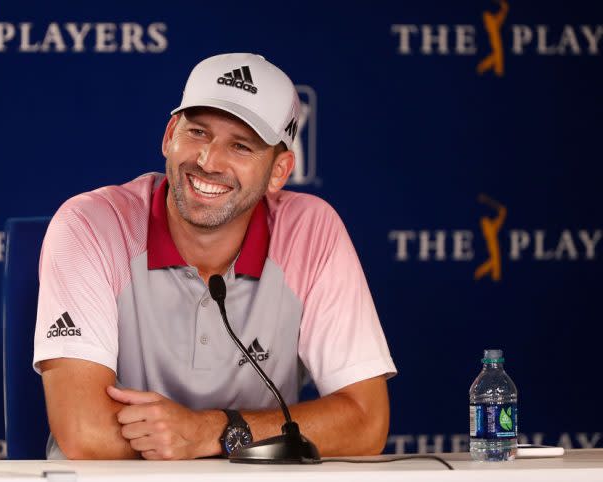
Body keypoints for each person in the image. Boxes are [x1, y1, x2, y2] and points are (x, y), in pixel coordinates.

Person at [34, 53, 397, 460]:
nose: (208, 161)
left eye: (241, 146)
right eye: (198, 133)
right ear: (170, 134)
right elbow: (87, 433)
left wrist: (212, 430)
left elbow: (366, 422)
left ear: (279, 171)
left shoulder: (311, 230)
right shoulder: (91, 224)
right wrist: (229, 437)